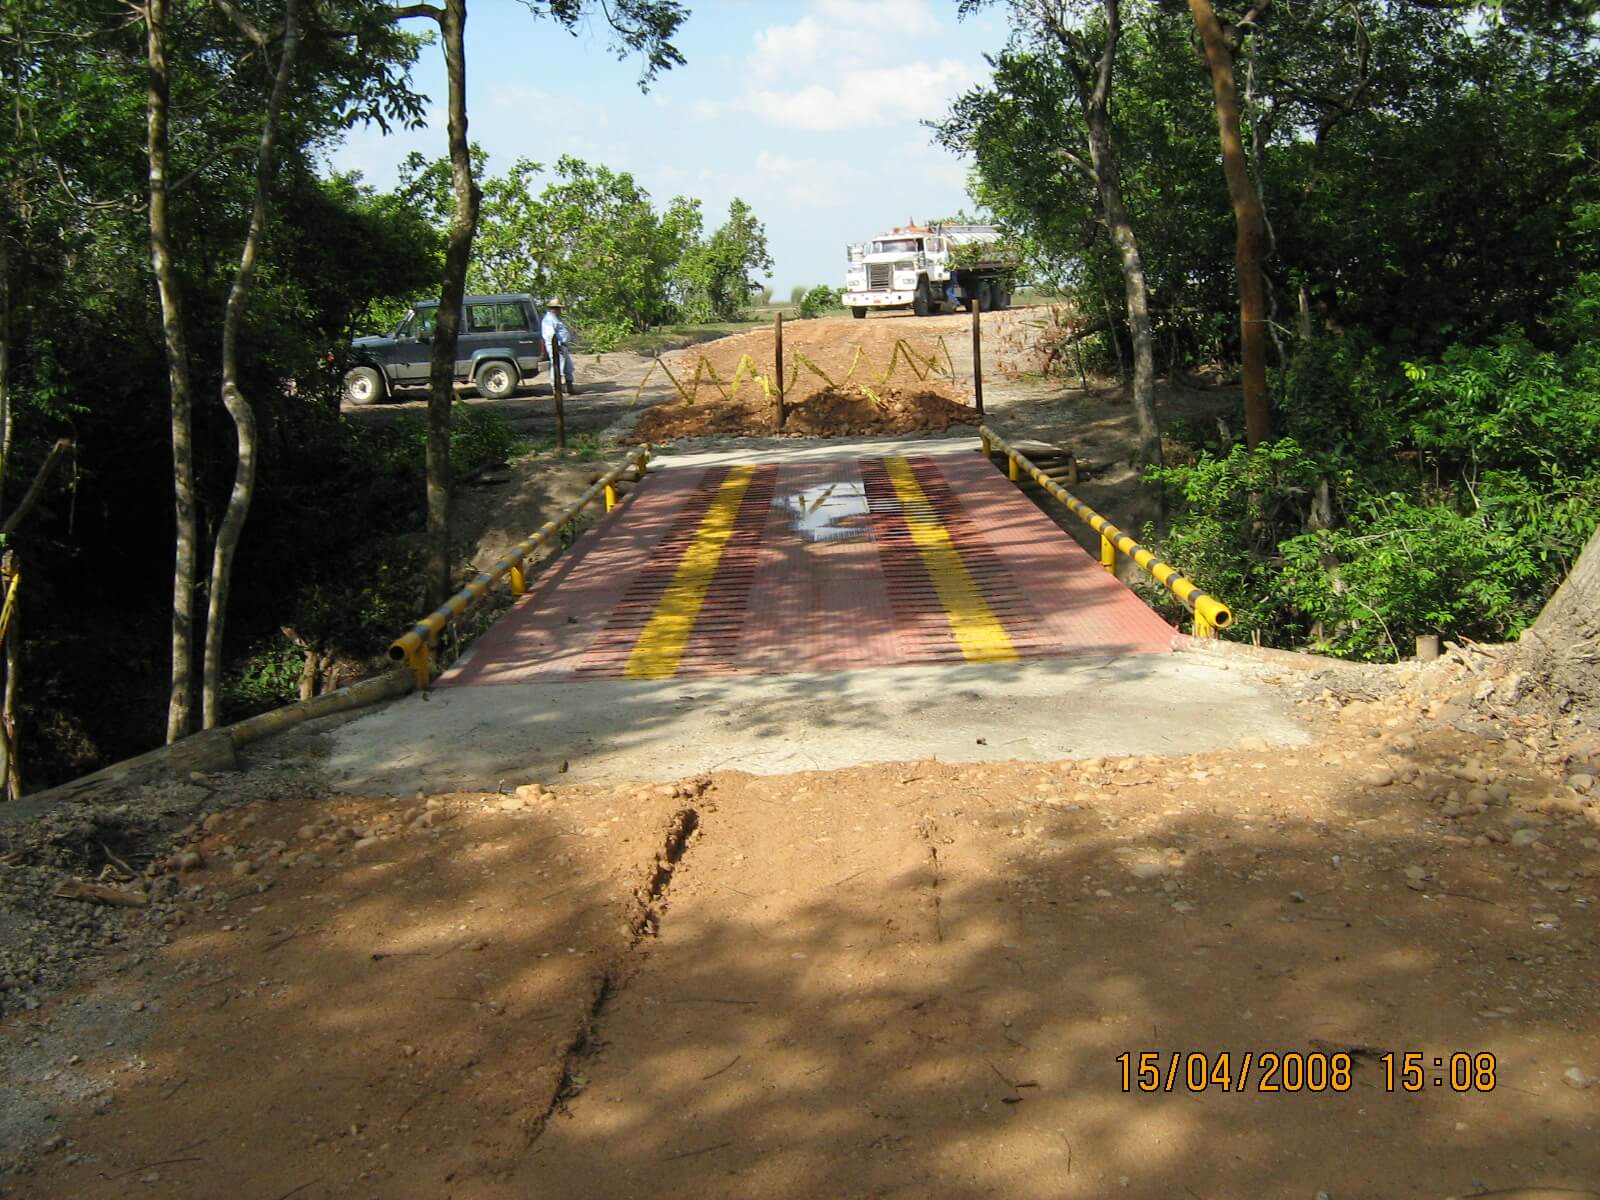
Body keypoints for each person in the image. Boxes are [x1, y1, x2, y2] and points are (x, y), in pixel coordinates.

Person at [540, 298, 577, 396]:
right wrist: (557, 347)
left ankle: (569, 387)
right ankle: (556, 390)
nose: (560, 310)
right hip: (556, 347)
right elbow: (550, 335)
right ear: (553, 308)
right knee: (557, 368)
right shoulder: (548, 320)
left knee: (568, 367)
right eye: (558, 308)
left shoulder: (556, 318)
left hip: (562, 346)